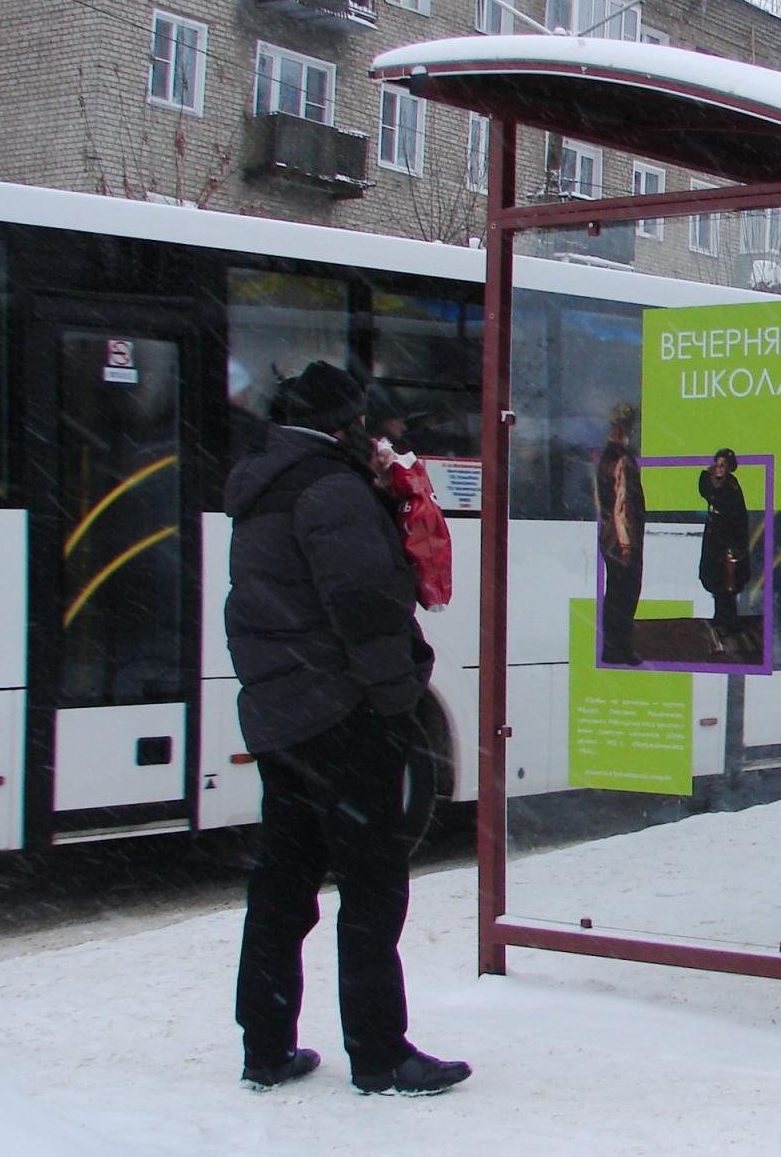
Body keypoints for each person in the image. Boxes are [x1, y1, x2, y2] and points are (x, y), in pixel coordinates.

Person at [224, 361, 470, 1097]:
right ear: (345, 423)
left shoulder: (264, 482)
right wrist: (398, 696)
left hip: (280, 715)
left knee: (283, 881)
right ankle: (379, 1053)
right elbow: (365, 607)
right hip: (342, 717)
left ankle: (265, 1046)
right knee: (371, 884)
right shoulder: (332, 489)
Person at [596, 401, 646, 665]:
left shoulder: (607, 456)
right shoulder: (623, 460)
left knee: (614, 595)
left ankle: (613, 648)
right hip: (621, 538)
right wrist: (627, 543)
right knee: (625, 595)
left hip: (608, 537)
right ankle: (620, 649)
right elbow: (623, 504)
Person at [698, 447, 752, 646]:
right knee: (717, 582)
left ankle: (728, 622)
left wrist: (733, 546)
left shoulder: (731, 487)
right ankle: (721, 618)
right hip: (715, 542)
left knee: (727, 584)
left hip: (727, 542)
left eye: (723, 466)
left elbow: (736, 517)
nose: (719, 469)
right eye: (717, 465)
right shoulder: (715, 483)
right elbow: (705, 489)